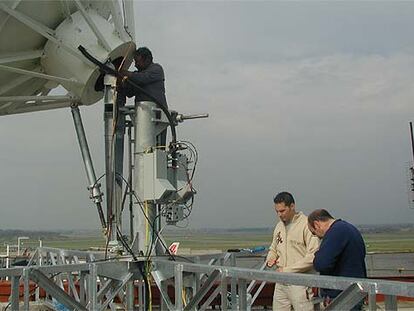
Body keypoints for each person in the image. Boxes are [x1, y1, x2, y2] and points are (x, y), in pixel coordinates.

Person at [266, 192, 319, 311]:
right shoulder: (279, 226)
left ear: (292, 206)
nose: (279, 214)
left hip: (300, 282)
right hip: (281, 282)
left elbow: (313, 256)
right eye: (277, 211)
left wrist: (287, 270)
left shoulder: (306, 224)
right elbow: (273, 248)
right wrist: (271, 257)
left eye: (282, 211)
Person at [308, 209, 367, 310]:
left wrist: (318, 254)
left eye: (314, 233)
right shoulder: (348, 228)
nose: (317, 237)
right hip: (354, 292)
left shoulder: (335, 232)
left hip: (342, 297)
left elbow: (321, 264)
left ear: (317, 224)